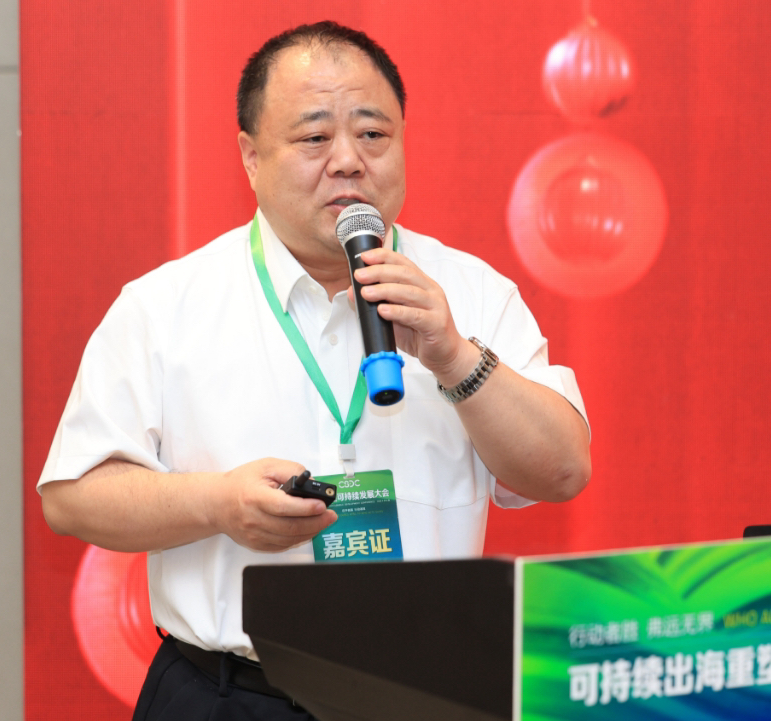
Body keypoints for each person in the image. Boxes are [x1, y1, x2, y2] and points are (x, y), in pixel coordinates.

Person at [37, 20, 591, 721]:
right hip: (231, 696)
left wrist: (454, 355)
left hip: (428, 694)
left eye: (373, 134)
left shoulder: (472, 292)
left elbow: (562, 470)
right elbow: (73, 497)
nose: (349, 161)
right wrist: (216, 505)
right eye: (314, 137)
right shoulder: (166, 305)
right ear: (251, 156)